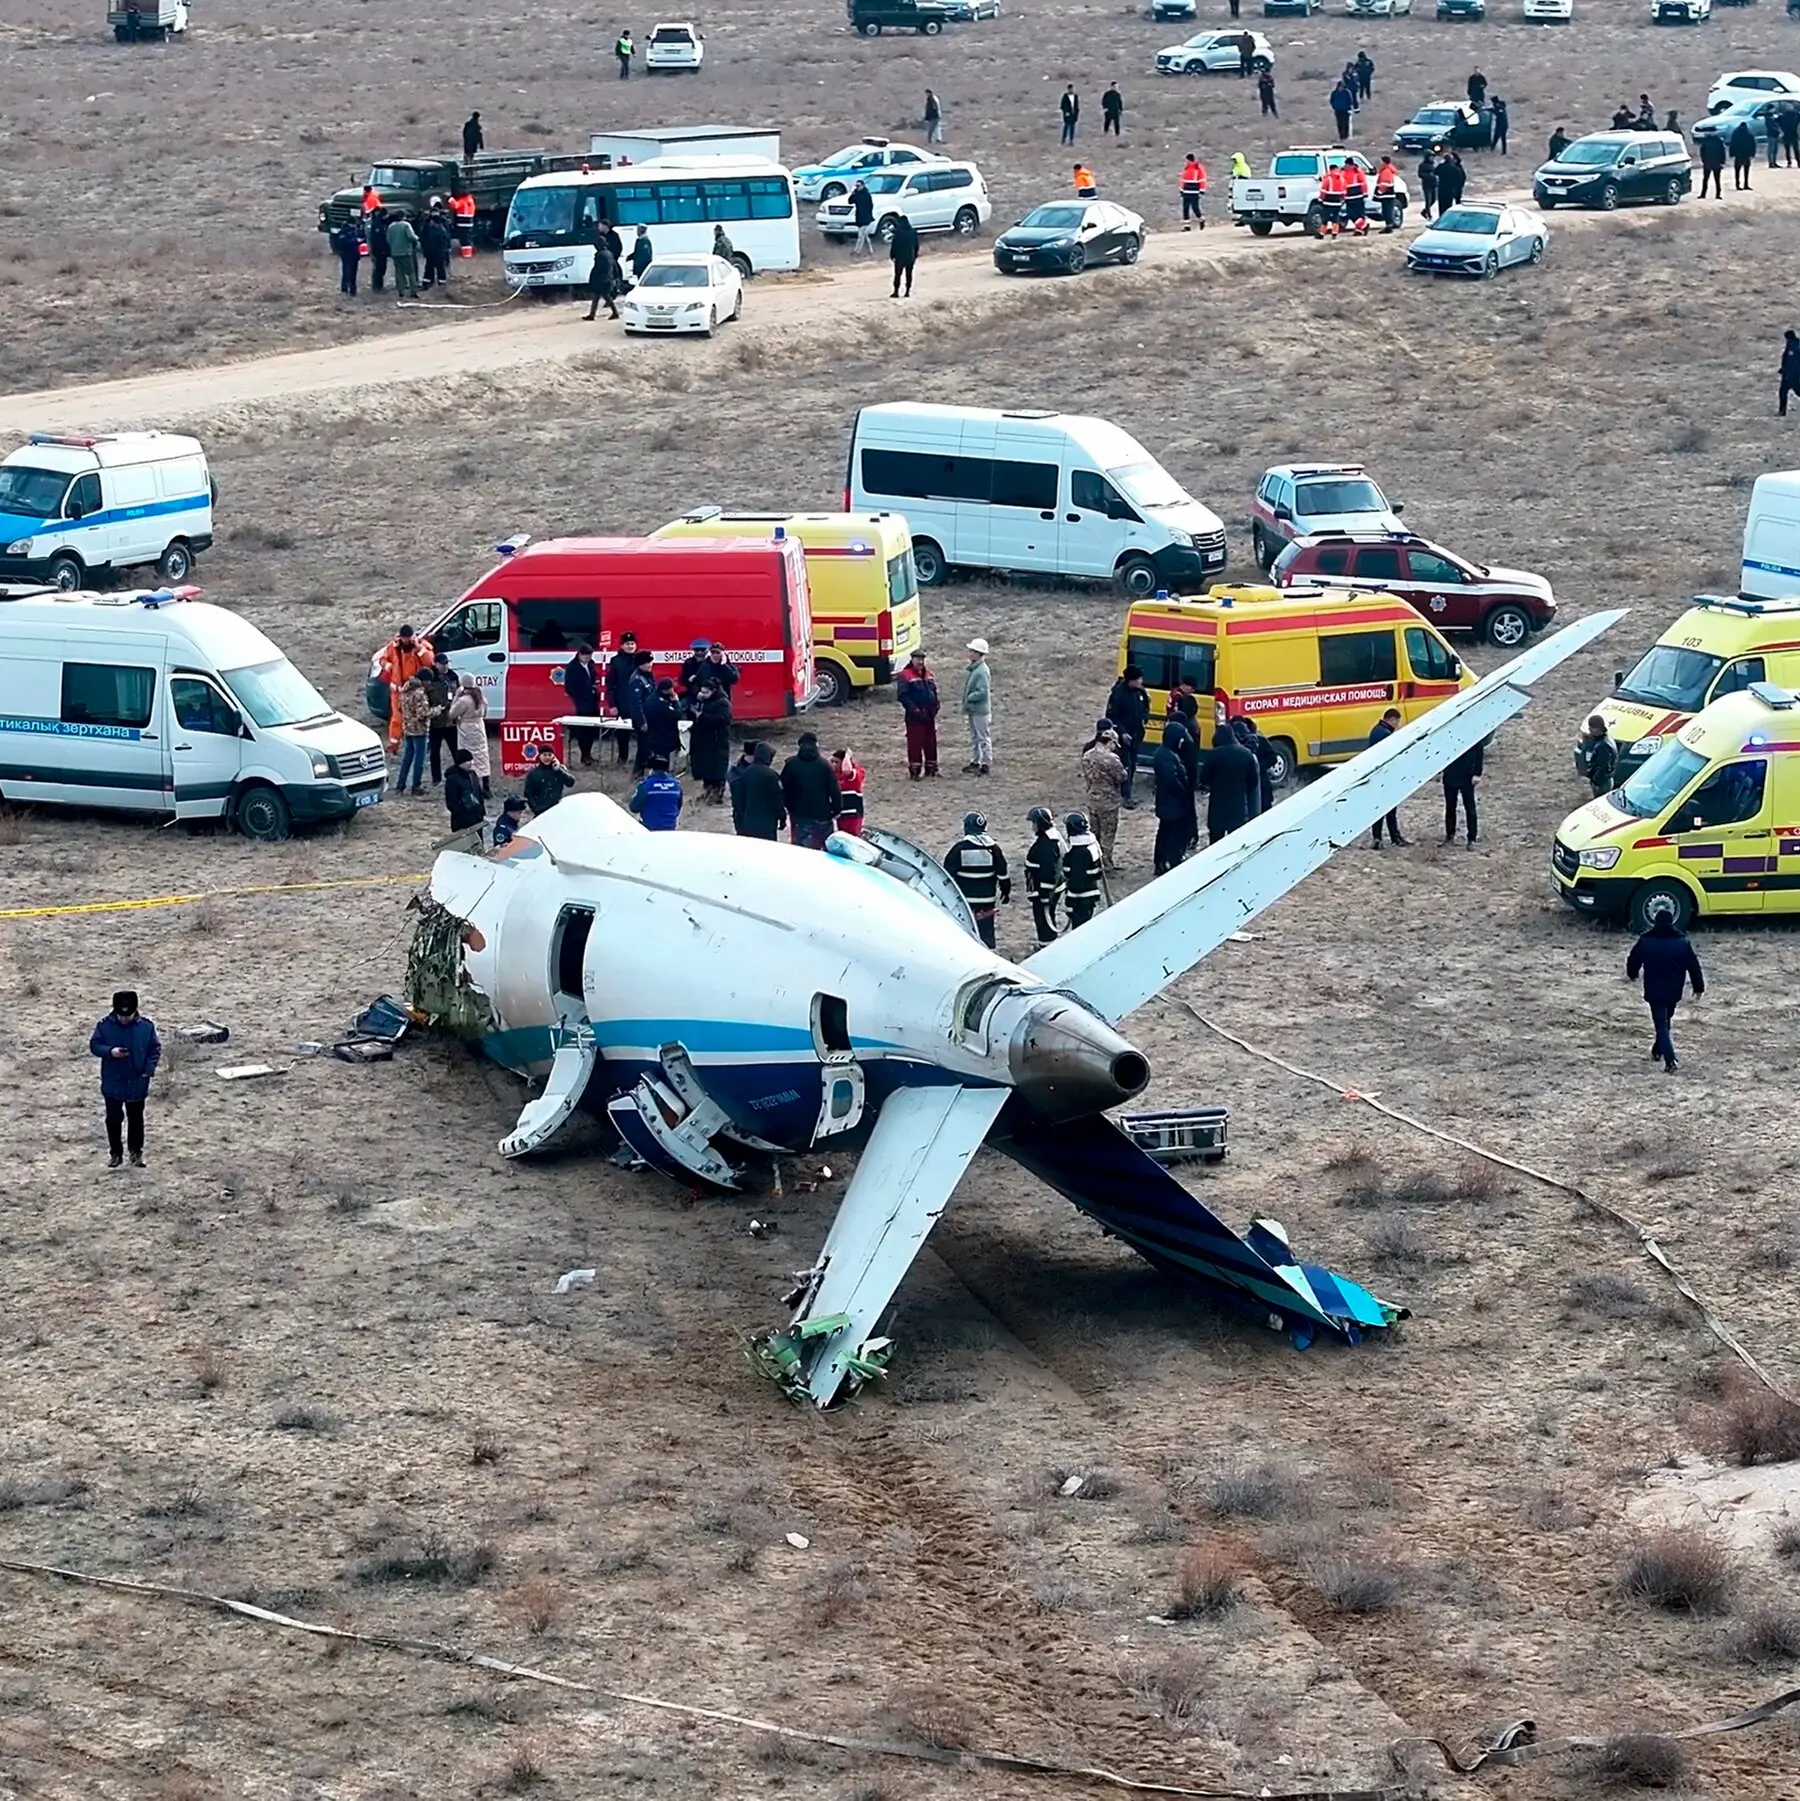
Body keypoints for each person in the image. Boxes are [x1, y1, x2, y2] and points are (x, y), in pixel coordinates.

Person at [1627, 896, 1704, 1073]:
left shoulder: (1646, 941)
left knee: (1662, 1024)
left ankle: (1669, 1059)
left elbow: (1634, 959)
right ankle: (1658, 1051)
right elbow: (1693, 965)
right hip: (1674, 990)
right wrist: (1698, 987)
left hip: (1654, 990)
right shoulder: (1682, 943)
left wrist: (1632, 974)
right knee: (1664, 1022)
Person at [91, 990, 160, 1169]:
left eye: (128, 1015)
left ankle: (136, 1153)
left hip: (137, 1081)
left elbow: (154, 1049)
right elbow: (94, 1045)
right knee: (113, 1119)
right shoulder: (104, 1026)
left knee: (136, 1119)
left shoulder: (146, 1027)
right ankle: (115, 1154)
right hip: (113, 1082)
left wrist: (148, 1070)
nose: (124, 1018)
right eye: (121, 1015)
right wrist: (110, 1051)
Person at [945, 813, 1010, 949]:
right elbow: (1003, 873)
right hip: (987, 900)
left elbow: (946, 875)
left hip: (965, 901)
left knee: (965, 933)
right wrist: (1006, 891)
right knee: (986, 933)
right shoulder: (994, 849)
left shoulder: (959, 849)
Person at [781, 732, 841, 849]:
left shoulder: (791, 764)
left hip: (800, 813)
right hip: (823, 813)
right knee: (825, 848)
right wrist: (836, 809)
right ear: (816, 745)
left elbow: (785, 788)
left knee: (802, 849)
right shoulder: (824, 765)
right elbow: (834, 790)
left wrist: (789, 807)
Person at [1201, 723, 1258, 845]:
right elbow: (1253, 782)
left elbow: (1203, 779)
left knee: (1216, 845)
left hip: (1217, 808)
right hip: (1238, 808)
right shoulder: (1246, 754)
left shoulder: (1213, 755)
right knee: (1236, 846)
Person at [1079, 724, 1126, 868]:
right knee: (1108, 834)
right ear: (1109, 741)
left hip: (1093, 799)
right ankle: (1106, 863)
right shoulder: (1111, 759)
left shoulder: (1087, 755)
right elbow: (1121, 777)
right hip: (1109, 801)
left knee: (1095, 833)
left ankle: (1095, 861)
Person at [1105, 666, 1150, 805]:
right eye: (1138, 679)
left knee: (1132, 765)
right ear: (1131, 680)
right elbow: (1112, 716)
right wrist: (1122, 732)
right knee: (1125, 765)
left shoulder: (1139, 692)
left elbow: (1145, 707)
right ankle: (1125, 796)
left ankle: (1127, 792)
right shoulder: (1118, 694)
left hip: (1136, 734)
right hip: (1122, 737)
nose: (1141, 681)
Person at [1366, 708, 1409, 847]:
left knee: (1379, 808)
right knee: (1389, 808)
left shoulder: (1375, 730)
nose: (1397, 725)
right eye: (1397, 722)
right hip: (1386, 776)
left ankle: (1378, 837)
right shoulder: (1385, 734)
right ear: (1392, 719)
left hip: (1377, 775)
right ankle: (1394, 837)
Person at [1151, 736, 1194, 876]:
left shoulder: (1164, 753)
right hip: (1172, 803)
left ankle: (1161, 861)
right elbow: (1171, 779)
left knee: (1165, 831)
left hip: (1167, 802)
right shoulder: (1167, 757)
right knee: (1171, 833)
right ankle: (1169, 860)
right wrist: (1183, 791)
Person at [896, 648, 940, 778]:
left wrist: (936, 706)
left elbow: (934, 692)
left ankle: (931, 770)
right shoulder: (905, 675)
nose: (920, 662)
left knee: (930, 743)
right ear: (912, 659)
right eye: (918, 659)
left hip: (930, 715)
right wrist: (914, 710)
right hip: (914, 717)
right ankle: (915, 771)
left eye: (922, 659)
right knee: (915, 744)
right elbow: (902, 696)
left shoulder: (929, 674)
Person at [1024, 807, 1065, 945]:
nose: (1032, 827)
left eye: (1034, 823)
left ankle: (1046, 946)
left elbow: (1049, 872)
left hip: (1045, 891)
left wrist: (1044, 895)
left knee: (1044, 919)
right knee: (1046, 917)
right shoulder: (1051, 837)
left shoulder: (1047, 844)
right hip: (1048, 889)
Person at [730, 742, 786, 840]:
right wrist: (782, 817)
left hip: (747, 822)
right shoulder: (772, 776)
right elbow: (778, 800)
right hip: (767, 823)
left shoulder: (743, 774)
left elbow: (738, 800)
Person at [689, 680, 733, 803]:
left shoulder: (723, 703)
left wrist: (702, 716)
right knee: (706, 767)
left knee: (717, 768)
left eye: (706, 692)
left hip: (717, 740)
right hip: (704, 740)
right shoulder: (703, 701)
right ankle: (707, 792)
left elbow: (723, 719)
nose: (702, 694)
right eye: (701, 691)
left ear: (713, 691)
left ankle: (717, 794)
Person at [449, 673, 491, 798]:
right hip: (479, 726)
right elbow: (485, 712)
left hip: (467, 728)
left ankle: (473, 786)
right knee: (482, 754)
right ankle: (486, 786)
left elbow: (452, 714)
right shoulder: (481, 697)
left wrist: (456, 697)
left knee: (468, 755)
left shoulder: (463, 700)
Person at [416, 653, 457, 784]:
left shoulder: (452, 676)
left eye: (447, 663)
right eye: (443, 664)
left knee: (455, 750)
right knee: (434, 752)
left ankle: (458, 775)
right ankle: (436, 778)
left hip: (450, 721)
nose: (445, 666)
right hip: (435, 721)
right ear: (436, 664)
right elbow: (424, 697)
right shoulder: (430, 677)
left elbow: (457, 693)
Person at [1063, 813, 1103, 929]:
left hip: (1080, 899)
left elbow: (1076, 881)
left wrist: (1070, 903)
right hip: (1091, 894)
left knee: (1079, 931)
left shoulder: (1076, 853)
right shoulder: (1092, 845)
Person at [605, 631, 640, 764]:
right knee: (622, 734)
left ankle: (641, 759)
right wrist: (612, 704)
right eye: (627, 644)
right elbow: (611, 685)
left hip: (638, 703)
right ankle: (622, 757)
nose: (630, 646)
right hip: (622, 703)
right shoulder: (616, 661)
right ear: (622, 646)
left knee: (641, 733)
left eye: (632, 643)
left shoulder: (640, 660)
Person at [563, 644, 601, 765]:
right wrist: (580, 695)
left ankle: (588, 754)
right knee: (583, 729)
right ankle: (584, 754)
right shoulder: (573, 667)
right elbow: (569, 686)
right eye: (585, 655)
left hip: (593, 700)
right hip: (581, 701)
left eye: (589, 655)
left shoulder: (591, 665)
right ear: (579, 654)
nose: (587, 658)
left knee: (592, 729)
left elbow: (594, 677)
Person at [1232, 716, 1277, 815]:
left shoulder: (1237, 744)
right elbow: (1273, 757)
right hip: (1258, 786)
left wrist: (1258, 767)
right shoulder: (1259, 740)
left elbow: (1272, 757)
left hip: (1256, 786)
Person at [1442, 741, 1482, 846]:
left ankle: (1471, 838)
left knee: (1470, 808)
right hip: (1450, 773)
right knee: (1450, 807)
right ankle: (1450, 835)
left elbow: (1479, 750)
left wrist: (1477, 773)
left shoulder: (1472, 733)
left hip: (1467, 775)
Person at [396, 675, 431, 795]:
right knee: (419, 760)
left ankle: (400, 785)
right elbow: (423, 714)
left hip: (408, 728)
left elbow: (399, 707)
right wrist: (436, 710)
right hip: (419, 729)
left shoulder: (405, 691)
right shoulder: (420, 694)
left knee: (407, 758)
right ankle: (416, 786)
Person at [962, 638, 992, 775]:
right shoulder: (977, 669)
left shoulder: (981, 671)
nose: (970, 654)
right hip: (975, 710)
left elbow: (983, 692)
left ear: (979, 654)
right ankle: (976, 761)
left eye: (972, 651)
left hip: (979, 710)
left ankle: (985, 763)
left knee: (982, 737)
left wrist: (969, 698)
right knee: (976, 736)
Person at [629, 755, 683, 830]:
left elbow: (634, 808)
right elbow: (678, 806)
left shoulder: (645, 786)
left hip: (650, 828)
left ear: (651, 770)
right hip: (670, 828)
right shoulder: (676, 785)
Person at [627, 652, 658, 774]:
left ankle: (642, 771)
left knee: (647, 747)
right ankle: (638, 773)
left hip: (650, 717)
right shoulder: (637, 680)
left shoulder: (647, 676)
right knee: (643, 747)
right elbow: (636, 704)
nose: (650, 665)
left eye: (651, 662)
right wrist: (642, 721)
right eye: (647, 662)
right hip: (643, 719)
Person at [523, 748, 575, 817]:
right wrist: (535, 808)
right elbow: (528, 794)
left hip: (557, 808)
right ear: (539, 756)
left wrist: (559, 770)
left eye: (549, 755)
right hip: (541, 810)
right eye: (544, 755)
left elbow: (570, 782)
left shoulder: (559, 770)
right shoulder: (533, 773)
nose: (547, 757)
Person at [644, 677, 682, 769]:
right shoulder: (660, 703)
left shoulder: (652, 698)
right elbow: (677, 714)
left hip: (654, 735)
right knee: (662, 763)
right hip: (663, 737)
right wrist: (676, 702)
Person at [445, 747, 487, 832]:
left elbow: (479, 794)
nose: (470, 763)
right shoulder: (452, 779)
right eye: (467, 761)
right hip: (462, 822)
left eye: (471, 760)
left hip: (477, 818)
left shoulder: (473, 775)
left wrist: (481, 811)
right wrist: (462, 814)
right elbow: (451, 802)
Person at [1576, 715, 1619, 796]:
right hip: (1607, 779)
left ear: (1596, 729)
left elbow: (1602, 767)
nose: (1589, 729)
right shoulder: (1607, 739)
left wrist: (1595, 781)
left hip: (1602, 783)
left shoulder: (1603, 747)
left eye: (1591, 727)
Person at [829, 746, 866, 835]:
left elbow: (846, 770)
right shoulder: (835, 776)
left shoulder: (855, 773)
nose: (834, 764)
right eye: (832, 762)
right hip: (841, 815)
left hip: (853, 816)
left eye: (837, 762)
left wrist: (847, 756)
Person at [584, 234, 622, 320]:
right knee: (599, 297)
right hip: (607, 279)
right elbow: (615, 267)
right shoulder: (609, 253)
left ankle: (614, 313)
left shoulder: (600, 255)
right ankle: (592, 314)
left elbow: (598, 269)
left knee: (605, 297)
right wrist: (616, 278)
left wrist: (593, 279)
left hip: (602, 280)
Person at [387, 213, 420, 299]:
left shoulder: (390, 227)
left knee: (399, 272)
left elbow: (388, 239)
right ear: (403, 217)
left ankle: (401, 291)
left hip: (395, 252)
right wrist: (417, 238)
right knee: (411, 272)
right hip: (406, 252)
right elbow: (411, 237)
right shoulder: (406, 225)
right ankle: (413, 291)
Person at [421, 207, 454, 290]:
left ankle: (430, 282)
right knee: (437, 267)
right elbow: (447, 236)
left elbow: (422, 237)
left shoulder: (427, 223)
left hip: (433, 249)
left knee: (431, 267)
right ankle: (437, 282)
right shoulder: (442, 223)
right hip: (438, 249)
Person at [890, 212, 919, 298]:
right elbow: (916, 245)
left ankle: (896, 291)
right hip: (910, 256)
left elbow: (894, 245)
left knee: (898, 275)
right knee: (909, 274)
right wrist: (915, 255)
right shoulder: (913, 232)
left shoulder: (898, 233)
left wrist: (892, 255)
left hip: (900, 257)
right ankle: (907, 291)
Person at [332, 216, 362, 296]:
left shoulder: (354, 230)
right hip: (347, 255)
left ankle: (353, 290)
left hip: (354, 255)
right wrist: (355, 241)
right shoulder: (344, 231)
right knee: (346, 272)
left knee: (353, 273)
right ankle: (344, 289)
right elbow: (342, 242)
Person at [1341, 157, 1369, 237]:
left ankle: (1359, 229)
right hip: (1349, 197)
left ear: (1351, 165)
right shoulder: (1343, 172)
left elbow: (1363, 183)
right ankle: (1363, 226)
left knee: (1359, 214)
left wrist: (1365, 193)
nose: (1346, 166)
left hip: (1358, 196)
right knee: (1351, 214)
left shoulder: (1358, 172)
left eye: (1347, 164)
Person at [1319, 160, 1347, 237]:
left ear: (1330, 170)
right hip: (1337, 202)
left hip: (1328, 201)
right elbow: (1344, 192)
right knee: (1336, 218)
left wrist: (1321, 199)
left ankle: (1321, 233)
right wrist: (1342, 200)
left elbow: (1323, 191)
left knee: (1325, 218)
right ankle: (1334, 232)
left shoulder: (1327, 179)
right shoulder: (1342, 179)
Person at [1179, 153, 1207, 228]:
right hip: (1186, 191)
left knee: (1195, 207)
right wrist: (1181, 190)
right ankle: (1187, 226)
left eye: (1187, 160)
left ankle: (1201, 219)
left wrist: (1202, 190)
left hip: (1194, 191)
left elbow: (1202, 179)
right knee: (1185, 208)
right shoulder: (1186, 168)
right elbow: (1183, 180)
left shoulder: (1198, 168)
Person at [367, 206, 391, 292]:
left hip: (381, 250)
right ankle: (376, 286)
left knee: (381, 268)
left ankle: (379, 285)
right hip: (379, 251)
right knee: (379, 269)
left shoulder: (381, 223)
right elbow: (377, 239)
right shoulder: (377, 224)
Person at [1699, 127, 1727, 200]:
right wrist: (1704, 160)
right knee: (1706, 179)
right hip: (1709, 162)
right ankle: (1703, 194)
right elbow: (1702, 152)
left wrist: (1722, 162)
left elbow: (1722, 152)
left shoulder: (1717, 140)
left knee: (1716, 180)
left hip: (1715, 163)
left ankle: (1718, 194)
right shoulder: (1708, 140)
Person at [1373, 155, 1400, 231]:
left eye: (1381, 161)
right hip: (1387, 194)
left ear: (1384, 162)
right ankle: (1389, 225)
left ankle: (1389, 226)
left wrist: (1379, 192)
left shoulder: (1386, 171)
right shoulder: (1386, 170)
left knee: (1386, 210)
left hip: (1386, 195)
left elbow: (1385, 184)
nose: (1379, 163)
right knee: (1387, 209)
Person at [850, 180, 876, 257]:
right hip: (859, 217)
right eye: (856, 186)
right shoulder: (857, 194)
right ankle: (870, 250)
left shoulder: (867, 195)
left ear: (863, 185)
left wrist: (869, 216)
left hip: (866, 217)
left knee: (861, 235)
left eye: (858, 186)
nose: (857, 187)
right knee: (864, 235)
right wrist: (853, 193)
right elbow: (850, 201)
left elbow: (870, 206)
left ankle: (857, 251)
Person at [1731, 119, 1756, 191]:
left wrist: (1732, 154)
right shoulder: (1748, 133)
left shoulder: (1736, 133)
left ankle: (1738, 184)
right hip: (1745, 155)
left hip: (1739, 155)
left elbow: (1732, 144)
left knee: (1738, 171)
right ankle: (1745, 184)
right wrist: (1752, 154)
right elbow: (1753, 144)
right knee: (1746, 171)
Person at [451, 188, 477, 257]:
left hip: (463, 223)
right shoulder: (470, 199)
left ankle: (466, 254)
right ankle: (469, 252)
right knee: (467, 238)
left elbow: (455, 205)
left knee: (464, 239)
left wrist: (450, 198)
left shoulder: (463, 200)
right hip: (469, 222)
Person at [1416, 149, 1439, 221]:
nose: (1432, 158)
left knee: (1434, 200)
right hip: (1426, 185)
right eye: (1431, 157)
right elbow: (1420, 174)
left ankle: (1424, 211)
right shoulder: (1422, 165)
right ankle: (1428, 214)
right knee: (1428, 200)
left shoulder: (1433, 164)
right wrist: (1428, 175)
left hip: (1433, 184)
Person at [1783, 330, 1800, 418]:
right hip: (1788, 373)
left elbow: (1792, 361)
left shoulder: (1795, 346)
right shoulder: (1792, 344)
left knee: (1797, 391)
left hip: (1792, 374)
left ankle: (1782, 411)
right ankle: (1782, 411)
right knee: (1783, 392)